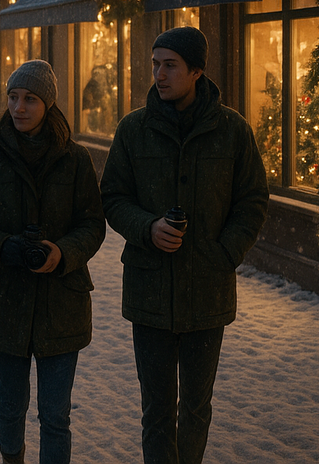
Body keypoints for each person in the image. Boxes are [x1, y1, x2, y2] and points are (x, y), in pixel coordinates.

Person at [100, 26, 269, 464]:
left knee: (196, 407)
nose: (159, 74)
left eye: (170, 65)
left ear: (196, 71)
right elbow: (112, 197)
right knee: (156, 410)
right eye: (155, 64)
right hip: (150, 292)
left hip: (207, 290)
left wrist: (224, 253)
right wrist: (147, 227)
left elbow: (252, 199)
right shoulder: (133, 129)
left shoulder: (232, 131)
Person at [0, 60, 106, 464]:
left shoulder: (75, 159)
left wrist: (63, 252)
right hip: (4, 302)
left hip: (61, 305)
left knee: (55, 415)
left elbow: (92, 223)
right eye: (13, 97)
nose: (19, 107)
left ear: (48, 104)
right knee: (10, 407)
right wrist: (5, 247)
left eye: (29, 99)